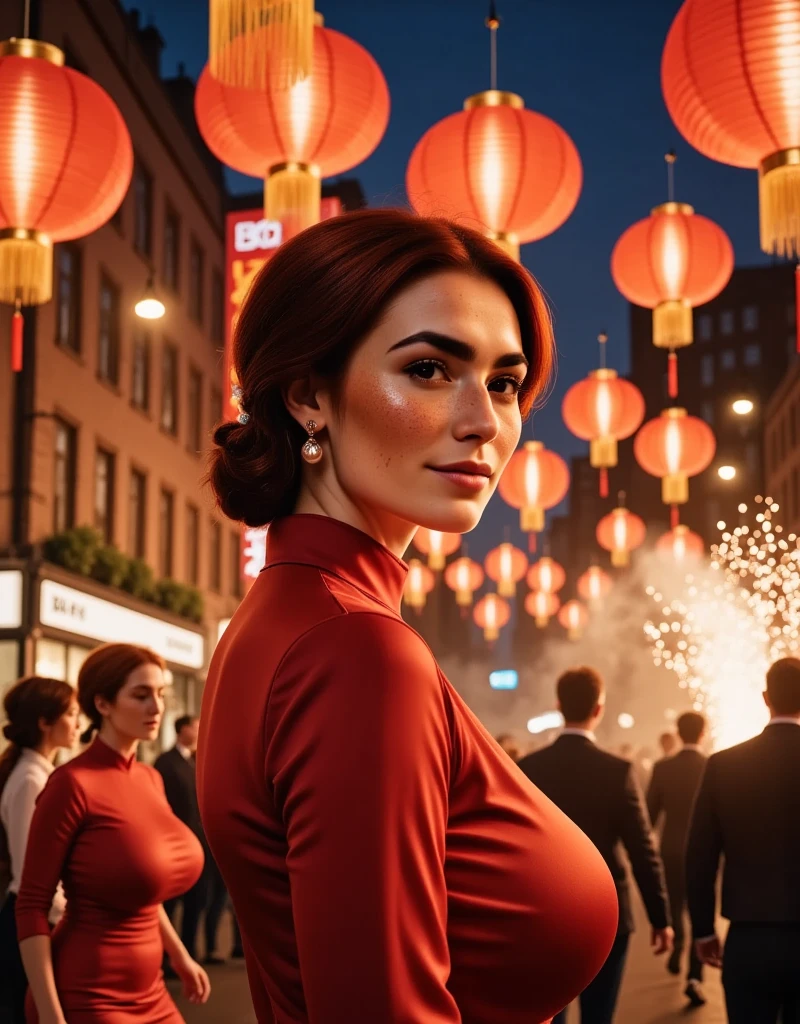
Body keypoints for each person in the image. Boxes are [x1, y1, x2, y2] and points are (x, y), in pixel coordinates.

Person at [198, 208, 619, 1023]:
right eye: (430, 369)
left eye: (504, 382)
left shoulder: (295, 615)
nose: (484, 422)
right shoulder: (352, 648)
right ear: (308, 395)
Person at [16, 643, 211, 1023]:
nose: (156, 708)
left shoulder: (150, 778)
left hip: (152, 987)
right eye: (140, 696)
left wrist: (180, 954)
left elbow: (140, 887)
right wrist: (51, 1014)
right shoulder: (71, 785)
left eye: (160, 694)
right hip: (89, 992)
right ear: (102, 704)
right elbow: (31, 906)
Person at [518, 667, 673, 1024]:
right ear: (598, 709)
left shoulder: (529, 768)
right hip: (608, 910)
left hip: (546, 913)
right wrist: (660, 918)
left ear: (559, 706)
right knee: (599, 1016)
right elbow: (642, 849)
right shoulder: (617, 771)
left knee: (550, 1011)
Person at [686, 657, 800, 1023]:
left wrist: (703, 930)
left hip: (749, 937)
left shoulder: (723, 765)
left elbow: (699, 857)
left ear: (766, 698)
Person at [0, 677, 78, 1023]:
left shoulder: (39, 772)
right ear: (45, 722)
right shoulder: (32, 778)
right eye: (72, 714)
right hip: (33, 922)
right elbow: (28, 870)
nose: (78, 724)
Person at [647, 710, 708, 1006]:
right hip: (704, 851)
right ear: (703, 732)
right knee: (701, 908)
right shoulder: (712, 766)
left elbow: (650, 814)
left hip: (670, 847)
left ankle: (678, 941)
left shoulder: (662, 768)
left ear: (679, 732)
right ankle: (695, 976)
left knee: (675, 902)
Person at [155, 715, 206, 963]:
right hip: (173, 844)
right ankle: (165, 956)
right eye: (195, 726)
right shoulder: (165, 763)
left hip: (198, 844)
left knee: (197, 901)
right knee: (170, 903)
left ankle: (188, 951)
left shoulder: (195, 761)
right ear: (182, 729)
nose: (198, 731)